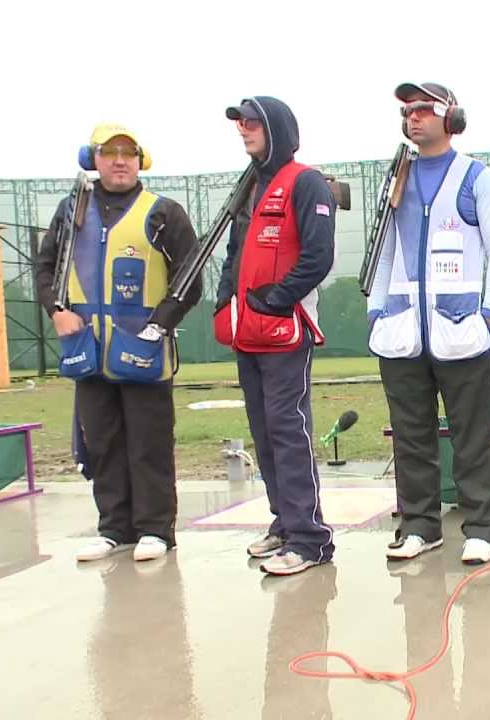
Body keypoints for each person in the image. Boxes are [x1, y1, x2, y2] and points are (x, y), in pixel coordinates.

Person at [34, 123, 202, 563]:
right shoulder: (72, 210)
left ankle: (155, 530)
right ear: (94, 159)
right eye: (110, 153)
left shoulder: (163, 212)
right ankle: (114, 528)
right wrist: (56, 310)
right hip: (86, 346)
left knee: (149, 442)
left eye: (129, 153)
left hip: (143, 347)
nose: (120, 161)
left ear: (140, 160)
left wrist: (160, 325)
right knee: (102, 441)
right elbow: (46, 266)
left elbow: (189, 279)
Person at [366, 82, 490, 566]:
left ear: (452, 117)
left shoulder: (477, 177)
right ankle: (420, 526)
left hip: (461, 330)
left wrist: (489, 314)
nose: (414, 117)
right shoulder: (397, 178)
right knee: (411, 437)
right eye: (408, 110)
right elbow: (384, 249)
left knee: (472, 437)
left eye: (425, 109)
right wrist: (377, 311)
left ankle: (481, 529)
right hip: (403, 332)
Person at [215, 96, 337, 576]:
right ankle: (284, 522)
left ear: (275, 129)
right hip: (248, 332)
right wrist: (227, 301)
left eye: (251, 123)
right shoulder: (249, 187)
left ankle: (310, 539)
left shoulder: (306, 183)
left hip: (286, 333)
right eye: (239, 124)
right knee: (264, 432)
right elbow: (233, 253)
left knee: (288, 430)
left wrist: (275, 298)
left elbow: (318, 257)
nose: (242, 130)